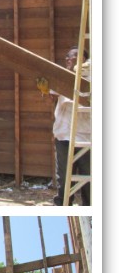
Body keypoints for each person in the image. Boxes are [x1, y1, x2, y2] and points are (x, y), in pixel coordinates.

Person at [50, 47, 91, 206]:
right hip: (63, 133)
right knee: (64, 177)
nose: (68, 59)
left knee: (88, 176)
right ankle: (63, 204)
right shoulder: (61, 76)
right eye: (66, 56)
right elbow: (50, 97)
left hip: (85, 136)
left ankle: (89, 206)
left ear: (82, 59)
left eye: (72, 57)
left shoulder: (90, 75)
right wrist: (45, 87)